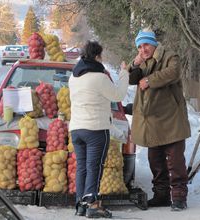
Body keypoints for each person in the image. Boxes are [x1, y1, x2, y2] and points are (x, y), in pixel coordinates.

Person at [128, 29, 191, 211]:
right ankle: (161, 196)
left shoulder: (170, 56)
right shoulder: (142, 61)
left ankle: (179, 198)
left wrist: (149, 80)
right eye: (139, 46)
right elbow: (131, 79)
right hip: (151, 121)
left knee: (175, 162)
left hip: (171, 120)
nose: (143, 49)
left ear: (153, 43)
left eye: (145, 44)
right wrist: (134, 63)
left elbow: (174, 72)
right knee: (155, 161)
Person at [69, 40, 129, 218]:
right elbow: (117, 94)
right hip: (95, 129)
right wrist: (124, 73)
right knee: (94, 167)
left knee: (82, 167)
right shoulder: (100, 78)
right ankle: (93, 205)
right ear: (96, 56)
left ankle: (80, 204)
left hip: (76, 129)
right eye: (101, 56)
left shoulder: (74, 77)